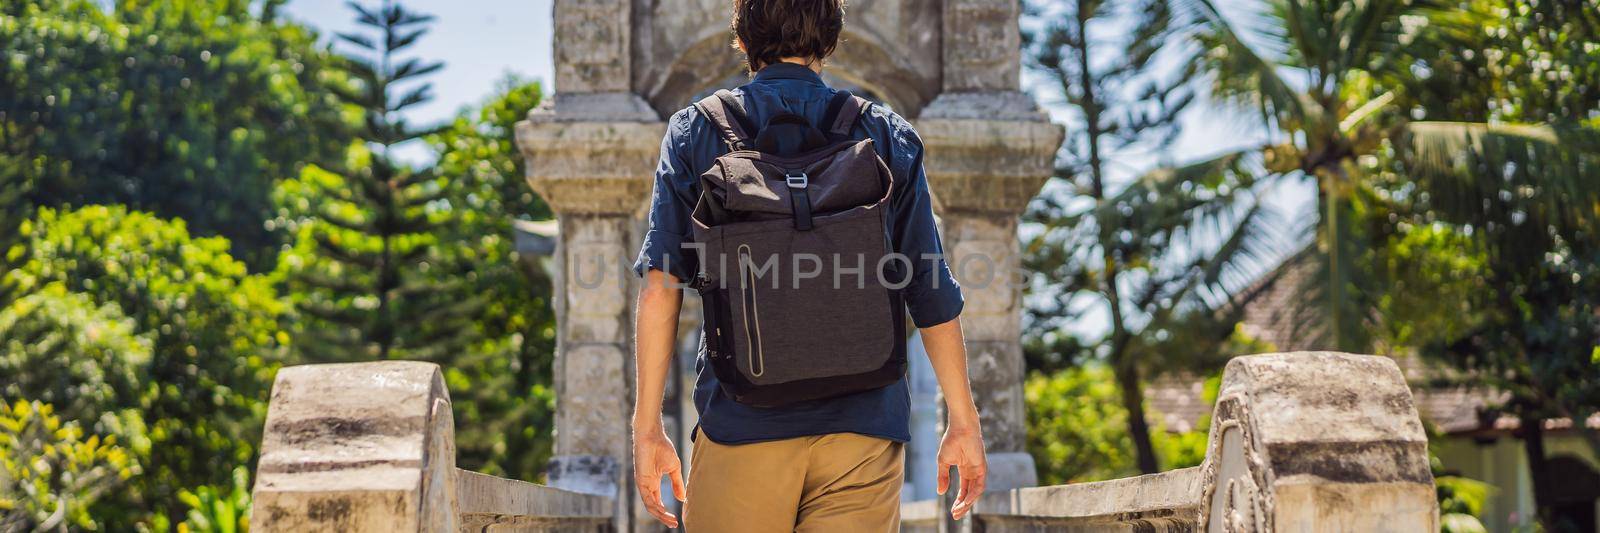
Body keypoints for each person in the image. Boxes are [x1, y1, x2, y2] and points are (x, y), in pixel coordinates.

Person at [629, 1, 987, 531]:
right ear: (831, 39)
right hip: (863, 429)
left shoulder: (694, 133)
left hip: (742, 420)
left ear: (743, 41)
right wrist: (962, 419)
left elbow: (662, 288)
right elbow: (929, 289)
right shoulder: (885, 134)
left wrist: (648, 427)